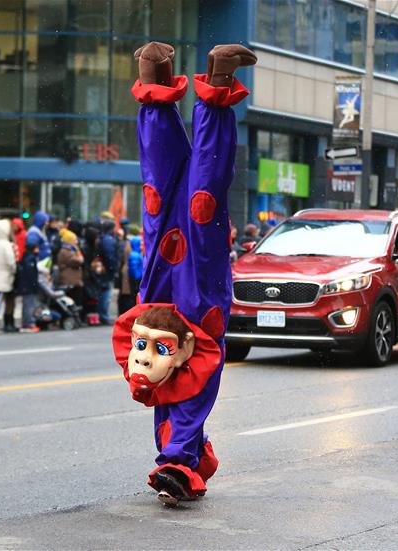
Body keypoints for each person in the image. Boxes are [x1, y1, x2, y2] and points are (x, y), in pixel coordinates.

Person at [112, 41, 256, 505]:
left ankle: (176, 458)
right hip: (164, 280)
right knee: (166, 187)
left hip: (186, 289)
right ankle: (158, 76)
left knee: (197, 193)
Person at [17, 232, 41, 333]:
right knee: (29, 305)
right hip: (29, 286)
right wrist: (35, 285)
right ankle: (29, 324)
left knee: (26, 304)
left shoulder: (25, 257)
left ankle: (25, 323)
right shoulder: (31, 259)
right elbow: (31, 275)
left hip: (25, 286)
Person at [97, 219, 120, 324]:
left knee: (103, 292)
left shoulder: (103, 237)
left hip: (104, 270)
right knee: (106, 293)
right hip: (107, 271)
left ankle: (103, 315)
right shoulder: (108, 239)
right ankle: (104, 316)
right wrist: (113, 269)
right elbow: (110, 256)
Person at [56, 228, 84, 308]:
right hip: (69, 281)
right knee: (72, 302)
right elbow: (79, 261)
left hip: (73, 280)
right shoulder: (65, 251)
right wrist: (80, 256)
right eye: (74, 239)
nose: (76, 241)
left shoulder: (72, 250)